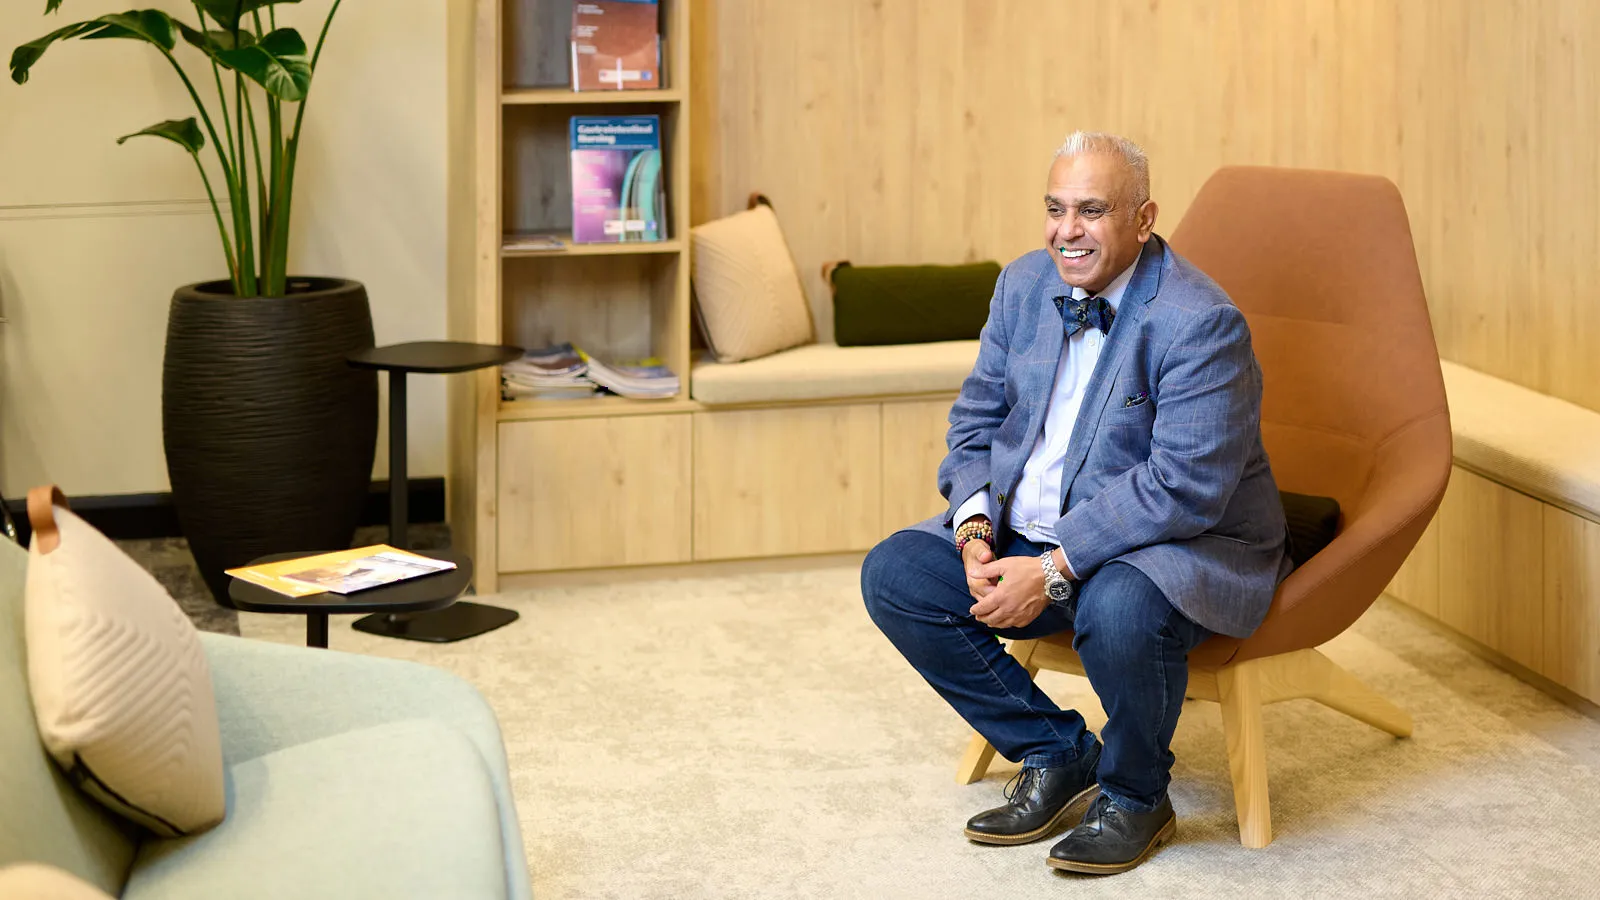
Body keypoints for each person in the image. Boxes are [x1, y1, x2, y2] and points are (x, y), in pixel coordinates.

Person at [861, 131, 1292, 875]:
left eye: (1091, 211)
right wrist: (972, 533)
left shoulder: (1199, 321)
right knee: (895, 574)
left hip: (1173, 543)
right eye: (1056, 209)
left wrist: (1053, 569)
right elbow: (976, 421)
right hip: (1030, 530)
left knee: (1116, 609)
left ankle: (1135, 796)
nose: (1067, 231)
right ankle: (1057, 751)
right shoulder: (1023, 284)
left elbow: (1183, 486)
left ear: (1144, 218)